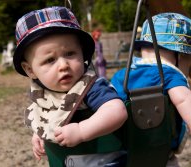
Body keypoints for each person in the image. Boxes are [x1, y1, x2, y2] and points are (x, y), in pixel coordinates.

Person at [13, 6, 127, 167]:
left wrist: (82, 130)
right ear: (30, 70)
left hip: (107, 162)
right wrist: (40, 135)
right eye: (50, 60)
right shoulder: (43, 95)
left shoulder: (90, 87)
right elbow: (47, 119)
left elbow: (117, 111)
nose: (63, 65)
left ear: (82, 52)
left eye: (70, 53)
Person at [111, 12, 191, 166]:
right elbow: (184, 99)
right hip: (160, 155)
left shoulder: (121, 76)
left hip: (125, 156)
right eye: (189, 64)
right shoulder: (169, 75)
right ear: (179, 56)